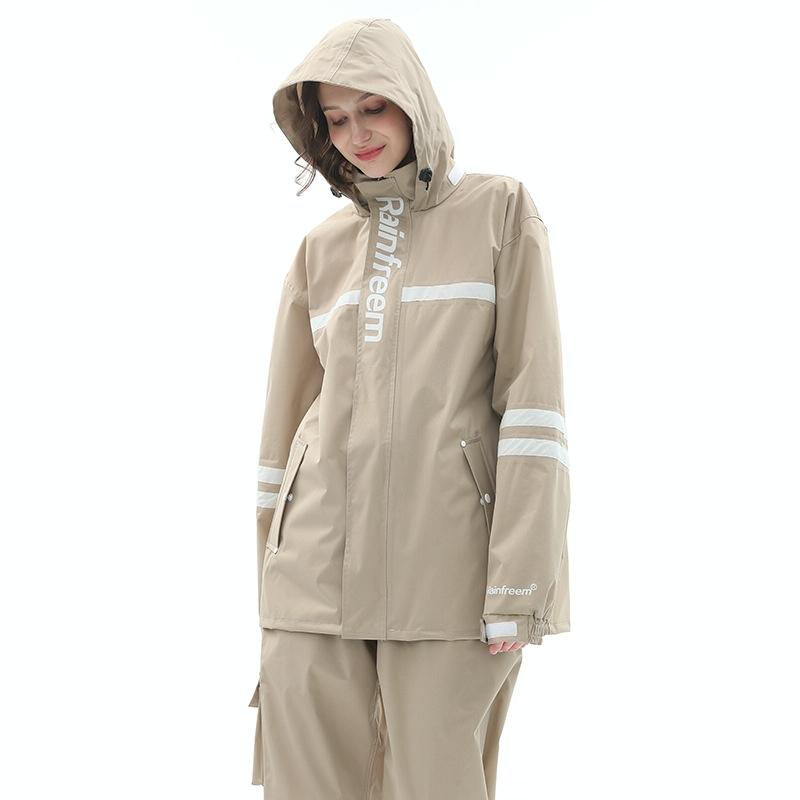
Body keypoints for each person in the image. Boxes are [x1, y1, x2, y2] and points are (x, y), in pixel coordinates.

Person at [248, 17, 571, 800]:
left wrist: (519, 587)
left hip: (446, 576)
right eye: (335, 119)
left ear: (413, 103)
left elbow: (534, 408)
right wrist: (272, 577)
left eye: (373, 108)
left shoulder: (499, 212)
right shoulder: (320, 250)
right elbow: (283, 433)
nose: (356, 134)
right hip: (313, 579)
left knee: (435, 782)